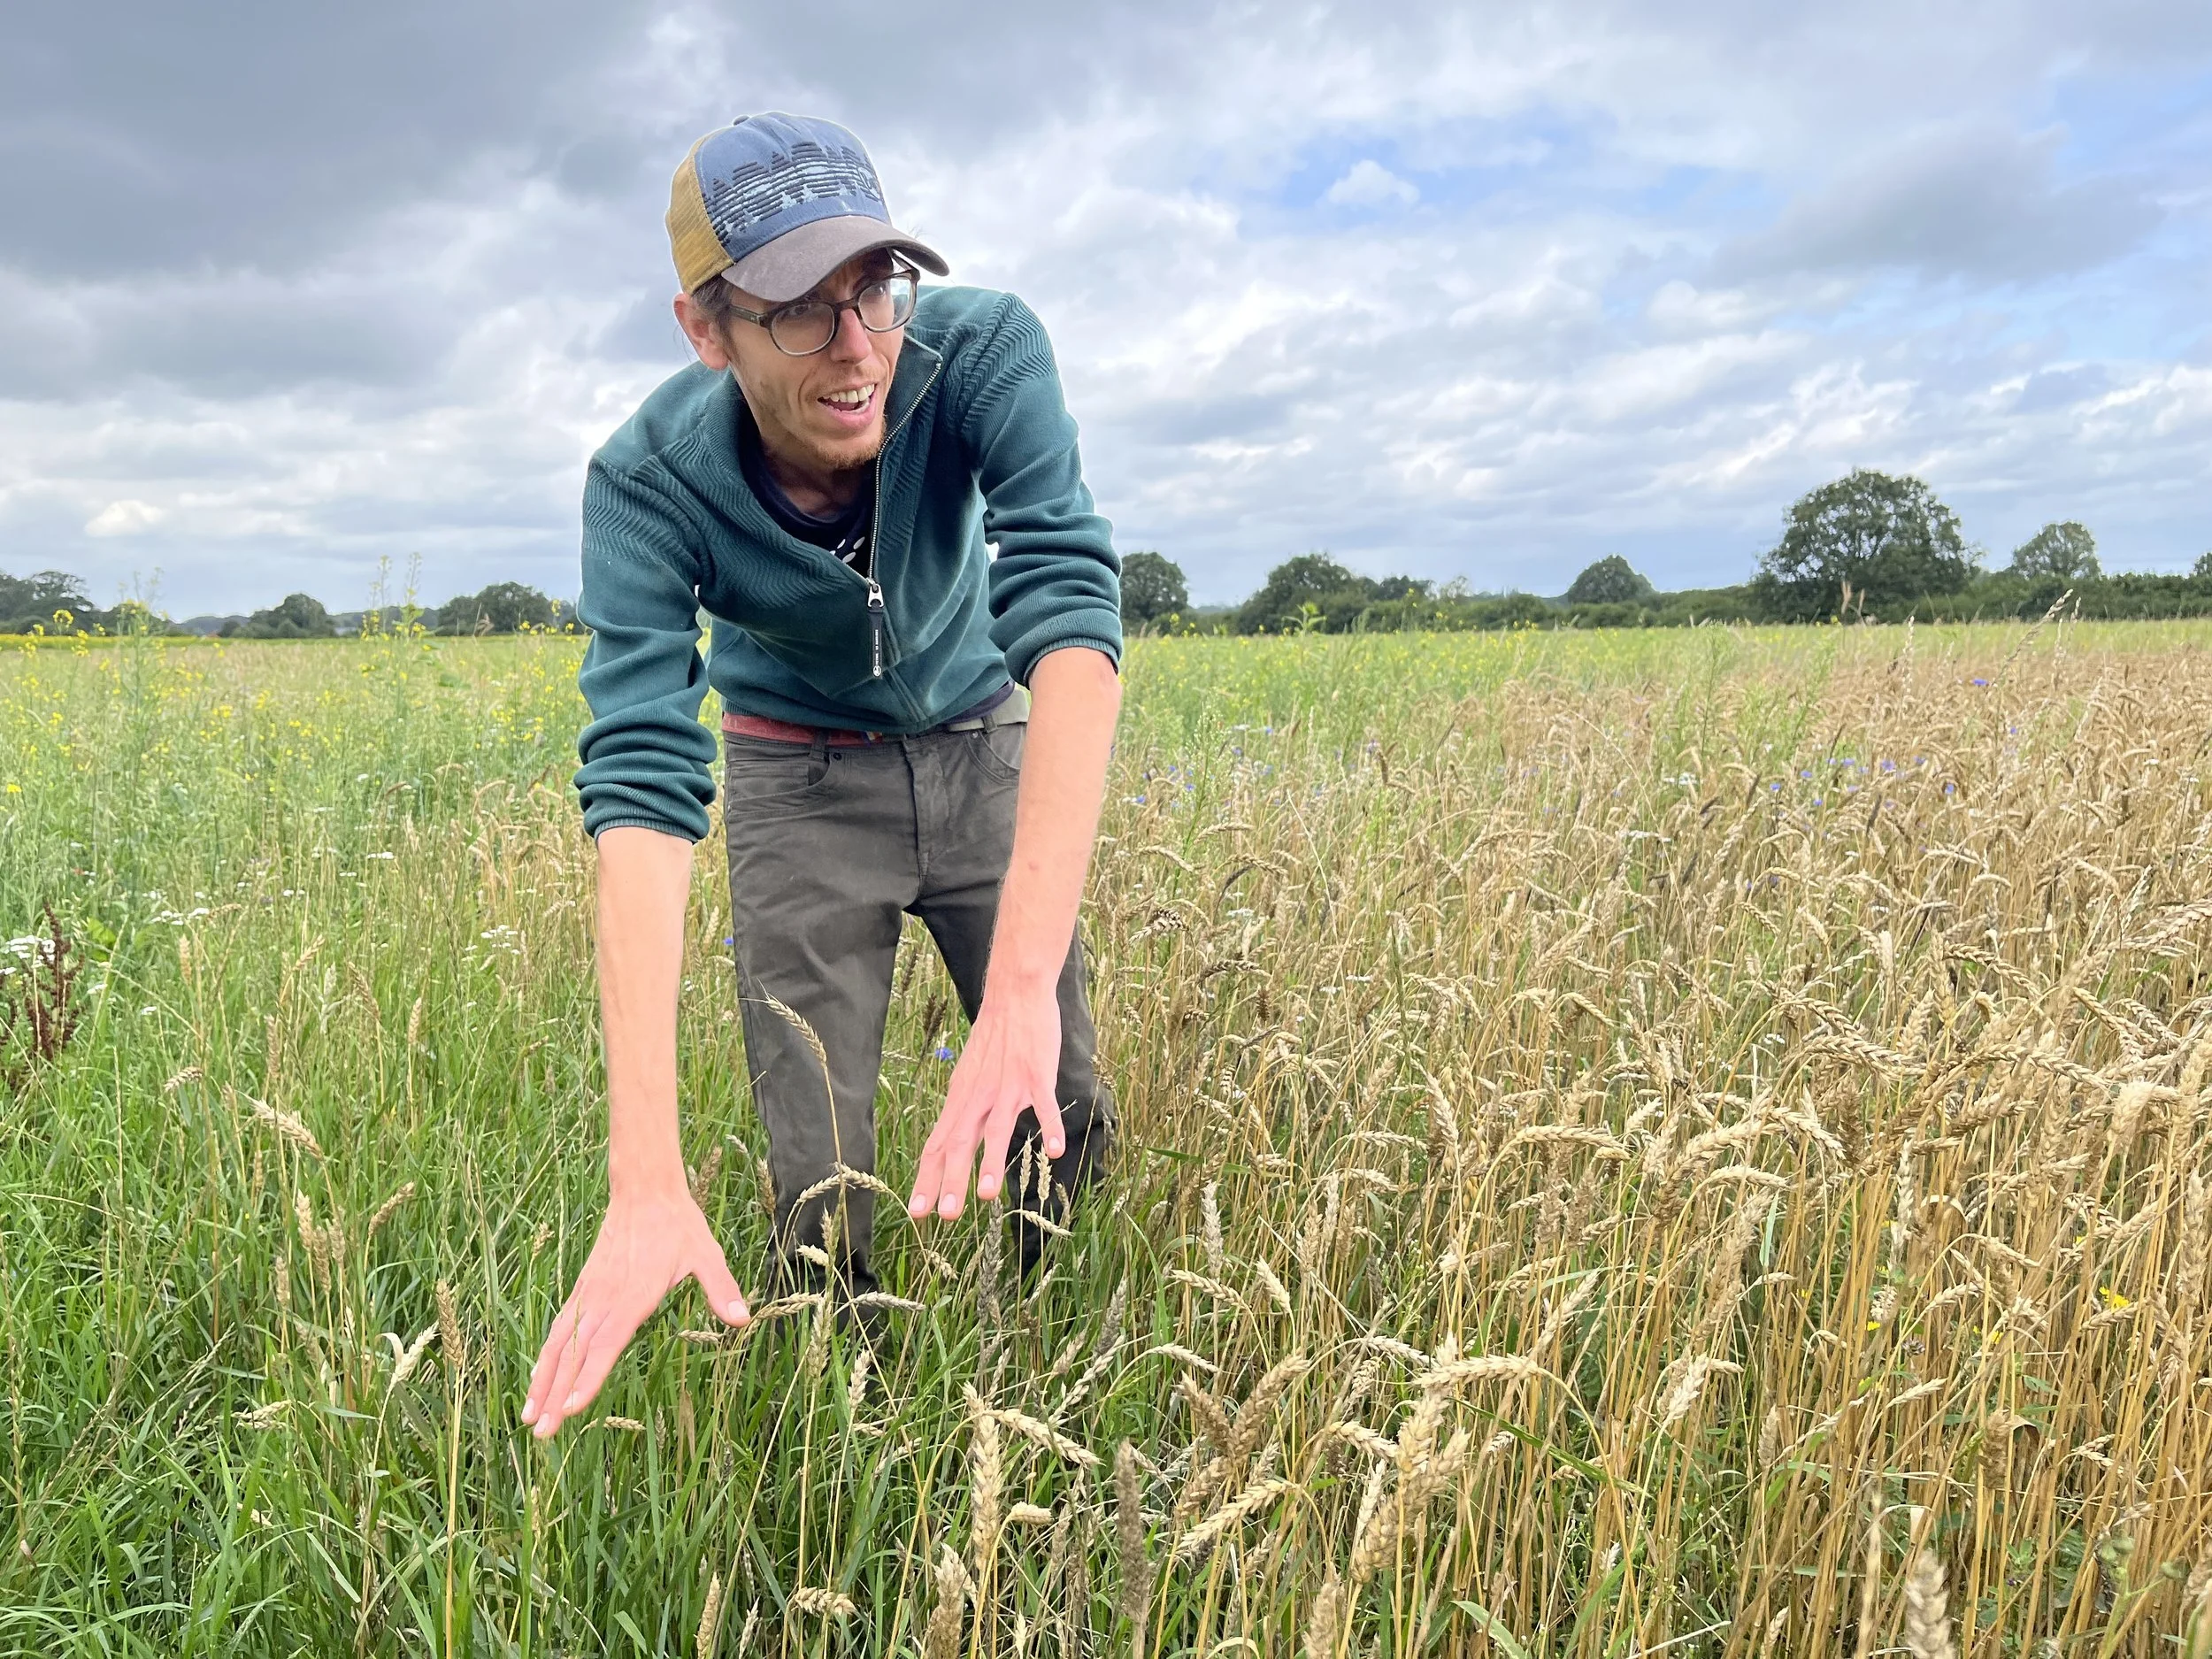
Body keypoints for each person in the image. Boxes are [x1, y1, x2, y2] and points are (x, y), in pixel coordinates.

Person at [521, 112, 1124, 1439]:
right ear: (706, 327)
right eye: (798, 308)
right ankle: (857, 1420)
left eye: (874, 290)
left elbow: (1072, 605)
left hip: (979, 740)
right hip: (796, 776)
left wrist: (1020, 986)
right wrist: (643, 1179)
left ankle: (1042, 1366)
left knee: (1062, 1094)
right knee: (817, 1168)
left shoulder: (981, 353)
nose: (858, 348)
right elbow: (638, 773)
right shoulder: (648, 482)